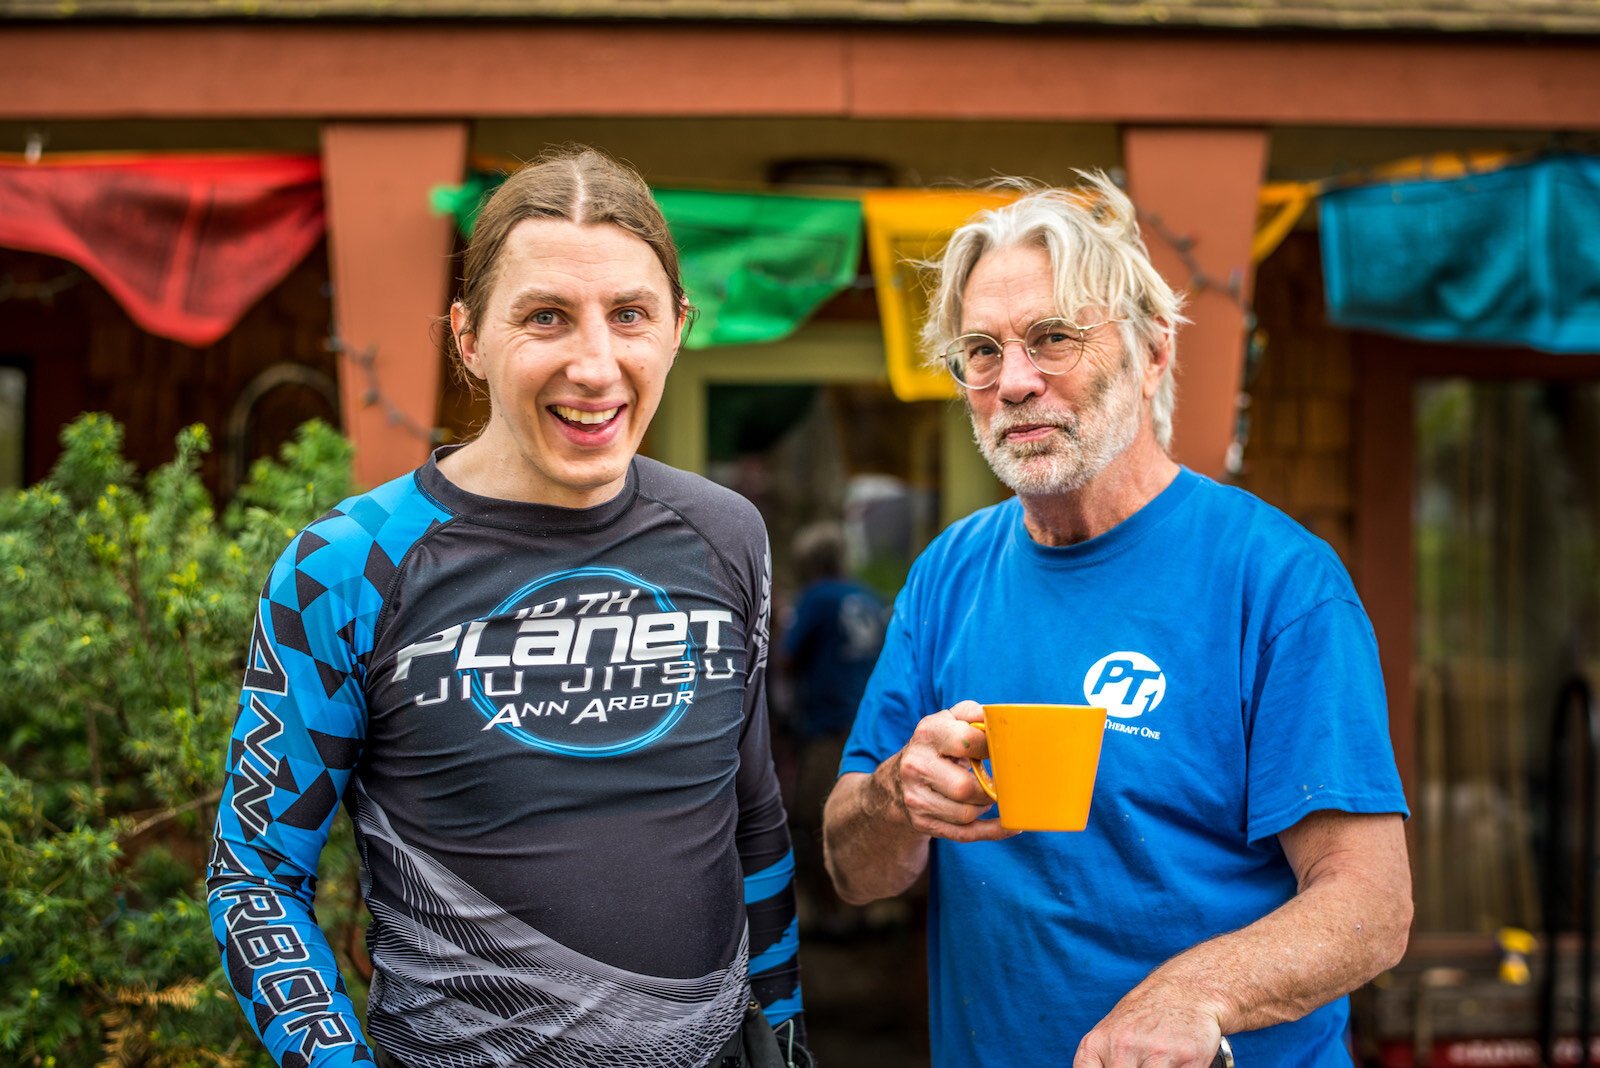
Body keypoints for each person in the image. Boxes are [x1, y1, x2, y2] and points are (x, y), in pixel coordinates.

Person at [207, 147, 805, 1068]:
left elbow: (753, 816)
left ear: (678, 328)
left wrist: (787, 1037)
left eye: (631, 316)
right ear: (468, 339)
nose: (596, 365)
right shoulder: (349, 564)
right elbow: (254, 872)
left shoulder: (729, 535)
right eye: (546, 318)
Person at [822, 172, 1412, 1067]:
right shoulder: (948, 572)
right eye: (981, 351)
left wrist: (1194, 996)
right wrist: (896, 796)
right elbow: (853, 870)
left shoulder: (1276, 581)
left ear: (1153, 353)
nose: (1014, 382)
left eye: (1052, 338)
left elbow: (1370, 906)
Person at [779, 520, 886, 933]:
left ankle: (833, 916)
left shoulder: (816, 598)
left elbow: (787, 659)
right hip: (872, 724)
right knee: (869, 816)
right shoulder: (867, 596)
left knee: (815, 819)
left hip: (828, 726)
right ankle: (869, 911)